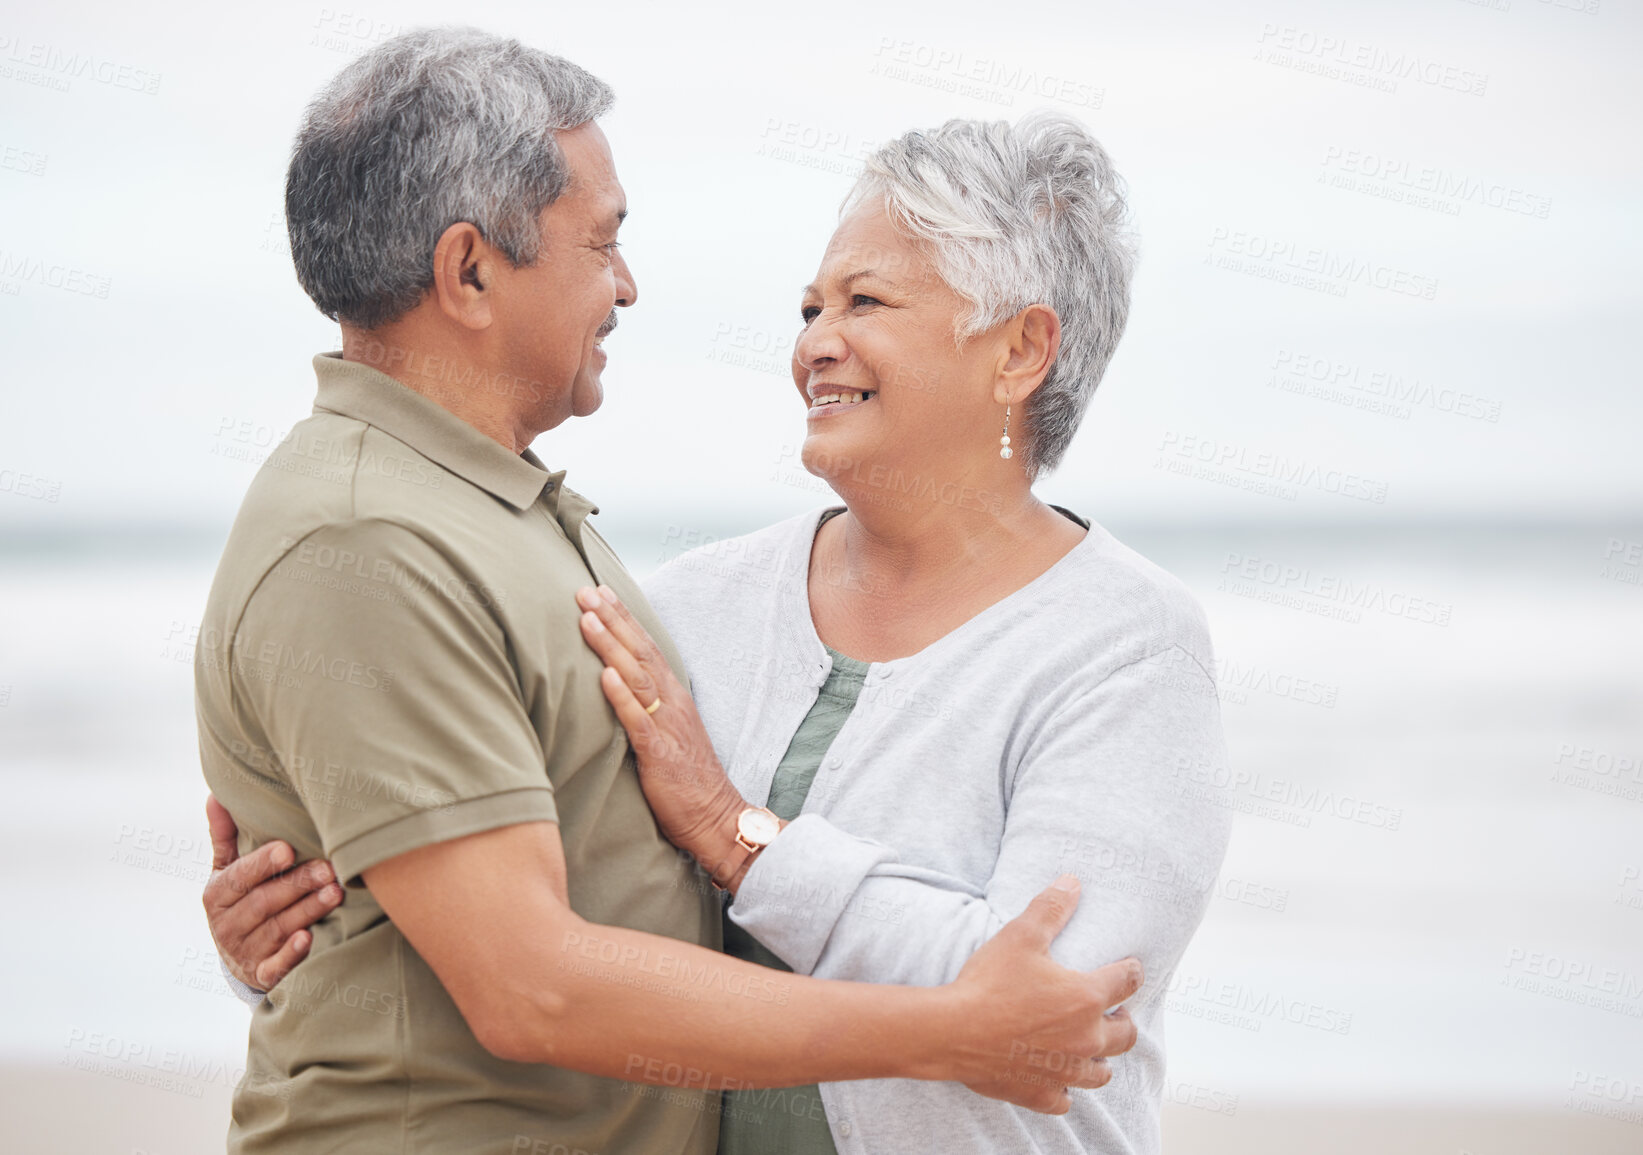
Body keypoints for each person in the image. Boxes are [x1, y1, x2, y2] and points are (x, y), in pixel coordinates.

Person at [193, 26, 1144, 1155]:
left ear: (1021, 349)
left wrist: (737, 838)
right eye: (602, 243)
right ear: (470, 270)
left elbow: (1070, 1003)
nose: (629, 286)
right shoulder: (377, 539)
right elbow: (526, 981)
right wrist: (935, 1029)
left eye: (866, 303)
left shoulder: (522, 526)